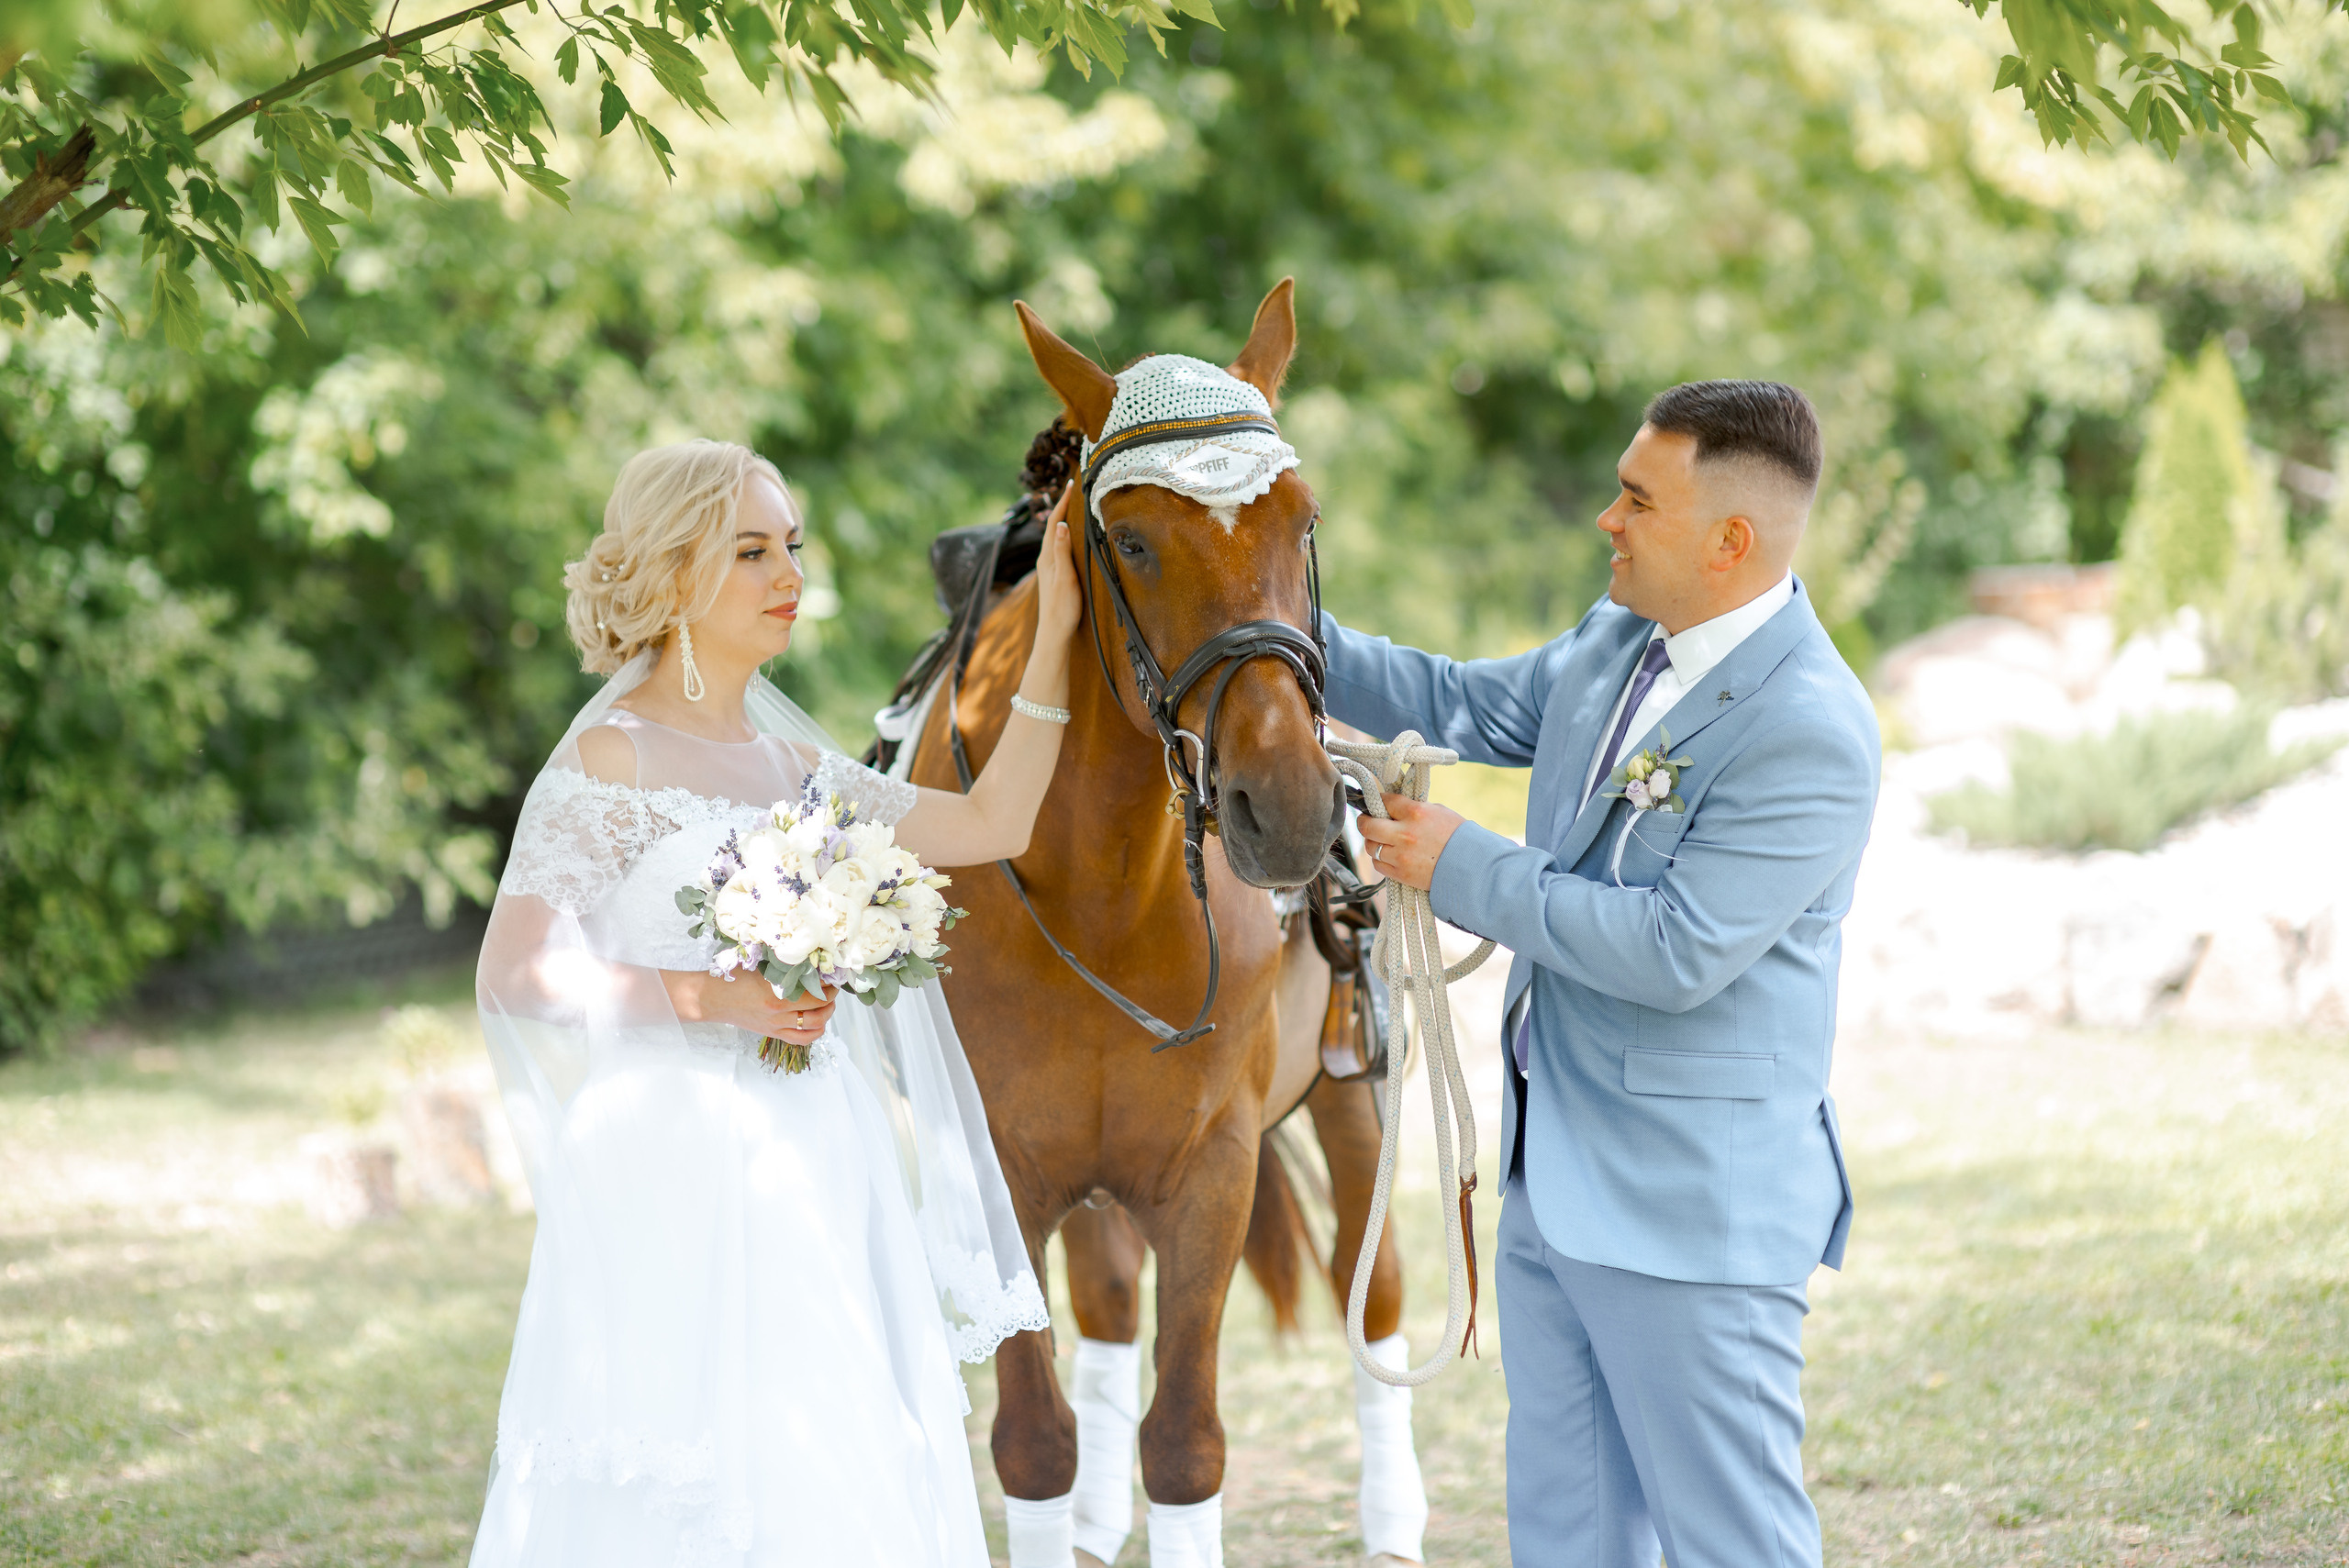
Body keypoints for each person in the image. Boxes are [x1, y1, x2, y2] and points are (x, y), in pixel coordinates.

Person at [470, 439, 1082, 1568]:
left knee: (822, 1416)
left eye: (789, 544)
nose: (785, 572)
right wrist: (713, 994)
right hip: (665, 1148)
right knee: (677, 1434)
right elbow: (517, 971)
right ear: (671, 572)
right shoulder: (614, 754)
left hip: (813, 1139)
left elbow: (993, 825)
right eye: (749, 549)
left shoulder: (798, 768)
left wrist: (1048, 637)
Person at [1334, 382, 1878, 1568]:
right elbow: (1454, 701)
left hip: (1693, 1214)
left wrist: (1462, 864)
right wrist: (1254, 606)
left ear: (1729, 541)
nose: (1606, 521)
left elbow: (1678, 949)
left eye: (1637, 499)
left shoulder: (1812, 729)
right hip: (1552, 1182)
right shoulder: (1616, 641)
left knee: (1735, 1544)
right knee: (1569, 1537)